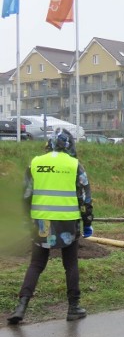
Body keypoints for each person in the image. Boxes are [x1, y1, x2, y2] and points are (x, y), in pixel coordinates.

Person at [7, 128, 93, 325]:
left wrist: (25, 220)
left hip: (41, 222)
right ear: (70, 145)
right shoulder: (74, 165)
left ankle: (21, 306)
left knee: (36, 264)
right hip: (67, 221)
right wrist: (87, 223)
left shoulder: (35, 163)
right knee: (70, 264)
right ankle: (73, 307)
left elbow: (26, 195)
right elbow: (85, 198)